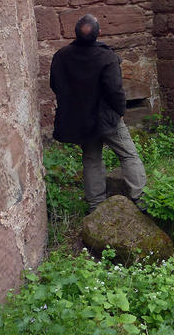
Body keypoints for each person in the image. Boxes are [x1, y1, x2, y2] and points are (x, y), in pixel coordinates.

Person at [50, 14, 147, 213]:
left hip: (83, 118)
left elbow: (56, 85)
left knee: (91, 159)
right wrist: (120, 111)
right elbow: (115, 90)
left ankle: (96, 206)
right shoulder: (106, 57)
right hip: (106, 118)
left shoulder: (62, 56)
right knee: (128, 155)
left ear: (75, 33)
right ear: (99, 33)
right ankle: (140, 199)